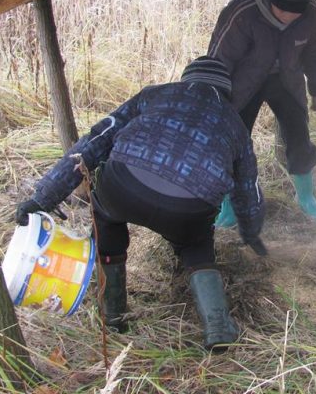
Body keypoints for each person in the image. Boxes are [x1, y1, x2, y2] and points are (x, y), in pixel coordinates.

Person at [15, 56, 266, 349]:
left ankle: (113, 315)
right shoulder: (234, 122)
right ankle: (218, 327)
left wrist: (42, 198)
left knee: (105, 215)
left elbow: (94, 141)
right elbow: (247, 189)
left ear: (185, 79)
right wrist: (251, 233)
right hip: (190, 207)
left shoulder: (155, 94)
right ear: (226, 91)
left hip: (125, 186)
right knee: (196, 246)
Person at [208, 0, 316, 224]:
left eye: (295, 13)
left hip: (285, 80)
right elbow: (219, 58)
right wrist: (214, 99)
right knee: (232, 142)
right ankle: (230, 205)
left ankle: (306, 198)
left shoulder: (310, 14)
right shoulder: (242, 13)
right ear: (271, 1)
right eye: (283, 11)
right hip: (241, 85)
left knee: (299, 135)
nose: (288, 17)